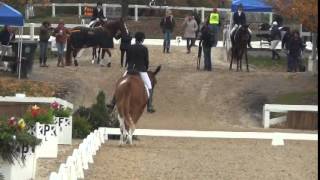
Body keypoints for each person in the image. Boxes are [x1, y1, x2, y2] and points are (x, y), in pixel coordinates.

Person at [107, 32, 156, 113]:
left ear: (135, 38)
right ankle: (149, 106)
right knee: (149, 86)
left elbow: (128, 59)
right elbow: (146, 61)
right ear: (142, 39)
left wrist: (129, 67)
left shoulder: (129, 47)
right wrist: (145, 68)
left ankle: (112, 103)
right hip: (141, 70)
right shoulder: (144, 48)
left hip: (130, 70)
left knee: (120, 83)